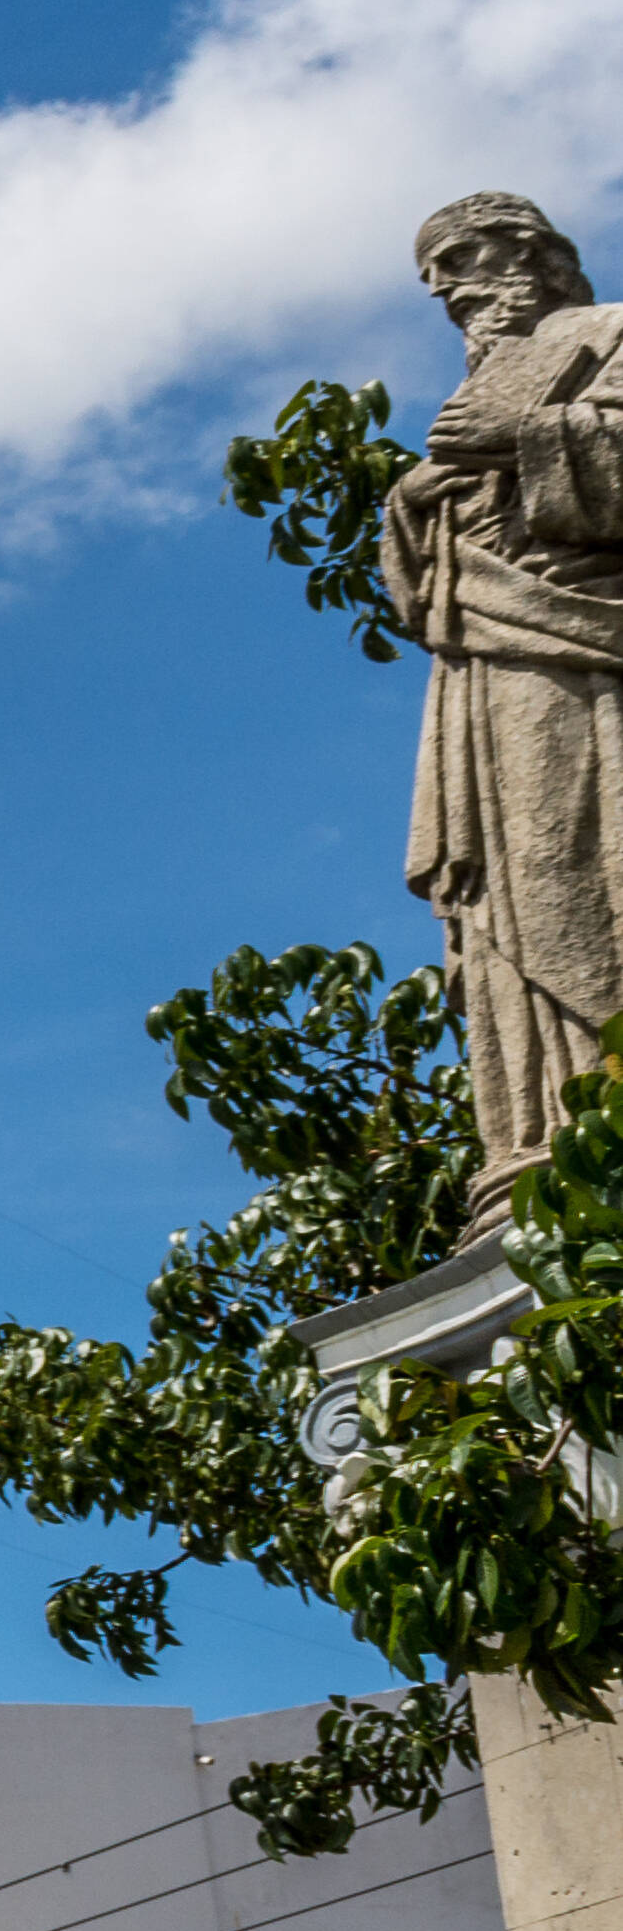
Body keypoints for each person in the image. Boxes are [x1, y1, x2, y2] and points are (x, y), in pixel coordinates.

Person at [389, 191, 623, 1201]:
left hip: (586, 649)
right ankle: (531, 1136)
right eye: (433, 270)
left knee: (581, 851)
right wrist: (413, 504)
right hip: (485, 666)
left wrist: (524, 437)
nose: (446, 285)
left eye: (459, 256)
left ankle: (600, 1114)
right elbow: (420, 591)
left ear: (532, 254)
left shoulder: (605, 335)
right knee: (507, 886)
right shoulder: (475, 394)